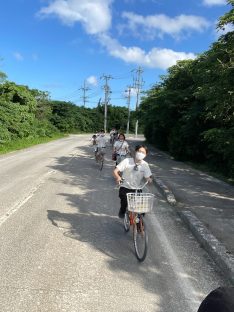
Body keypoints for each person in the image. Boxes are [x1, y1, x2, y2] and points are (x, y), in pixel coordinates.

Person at [113, 144, 152, 218]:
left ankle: (139, 224)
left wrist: (149, 179)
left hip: (137, 188)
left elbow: (147, 177)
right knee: (124, 201)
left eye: (143, 152)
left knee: (141, 209)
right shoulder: (127, 161)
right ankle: (122, 210)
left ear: (146, 155)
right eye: (139, 151)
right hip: (125, 186)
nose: (141, 153)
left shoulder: (145, 165)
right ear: (135, 152)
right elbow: (115, 171)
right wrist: (118, 177)